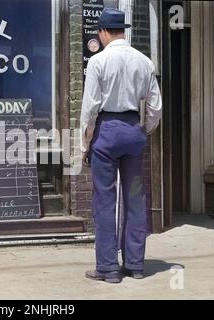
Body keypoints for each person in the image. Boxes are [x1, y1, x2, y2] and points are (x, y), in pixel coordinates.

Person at [80, 8, 162, 284]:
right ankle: (136, 265)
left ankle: (108, 268)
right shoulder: (144, 61)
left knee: (104, 200)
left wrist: (85, 143)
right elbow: (155, 107)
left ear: (102, 32)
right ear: (123, 31)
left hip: (106, 131)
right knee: (136, 198)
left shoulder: (98, 62)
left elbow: (90, 109)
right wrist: (143, 130)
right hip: (132, 130)